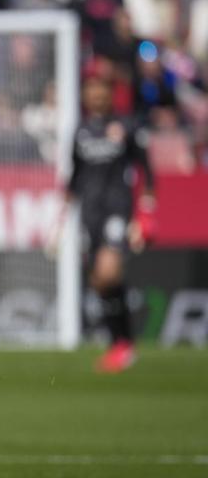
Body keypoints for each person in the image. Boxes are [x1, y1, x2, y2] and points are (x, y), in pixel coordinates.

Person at [67, 77, 154, 373]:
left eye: (101, 91)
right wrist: (63, 210)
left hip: (117, 209)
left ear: (110, 94)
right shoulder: (81, 131)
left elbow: (146, 169)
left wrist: (146, 212)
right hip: (90, 213)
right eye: (91, 92)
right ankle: (119, 344)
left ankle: (124, 344)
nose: (96, 97)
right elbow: (75, 175)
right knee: (99, 281)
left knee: (107, 272)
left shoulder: (126, 126)